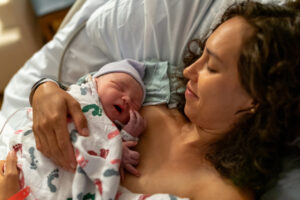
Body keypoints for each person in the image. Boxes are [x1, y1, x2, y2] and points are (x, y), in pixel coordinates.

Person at [1, 0, 299, 199]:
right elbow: (76, 86)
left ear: (257, 99)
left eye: (212, 66)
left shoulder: (217, 192)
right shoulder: (154, 89)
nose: (189, 70)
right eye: (203, 53)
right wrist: (45, 90)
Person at [0, 59, 147, 199]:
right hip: (26, 167)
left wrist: (123, 143)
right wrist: (45, 86)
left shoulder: (111, 132)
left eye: (135, 104)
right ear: (94, 82)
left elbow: (104, 149)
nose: (127, 99)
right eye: (119, 87)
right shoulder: (80, 96)